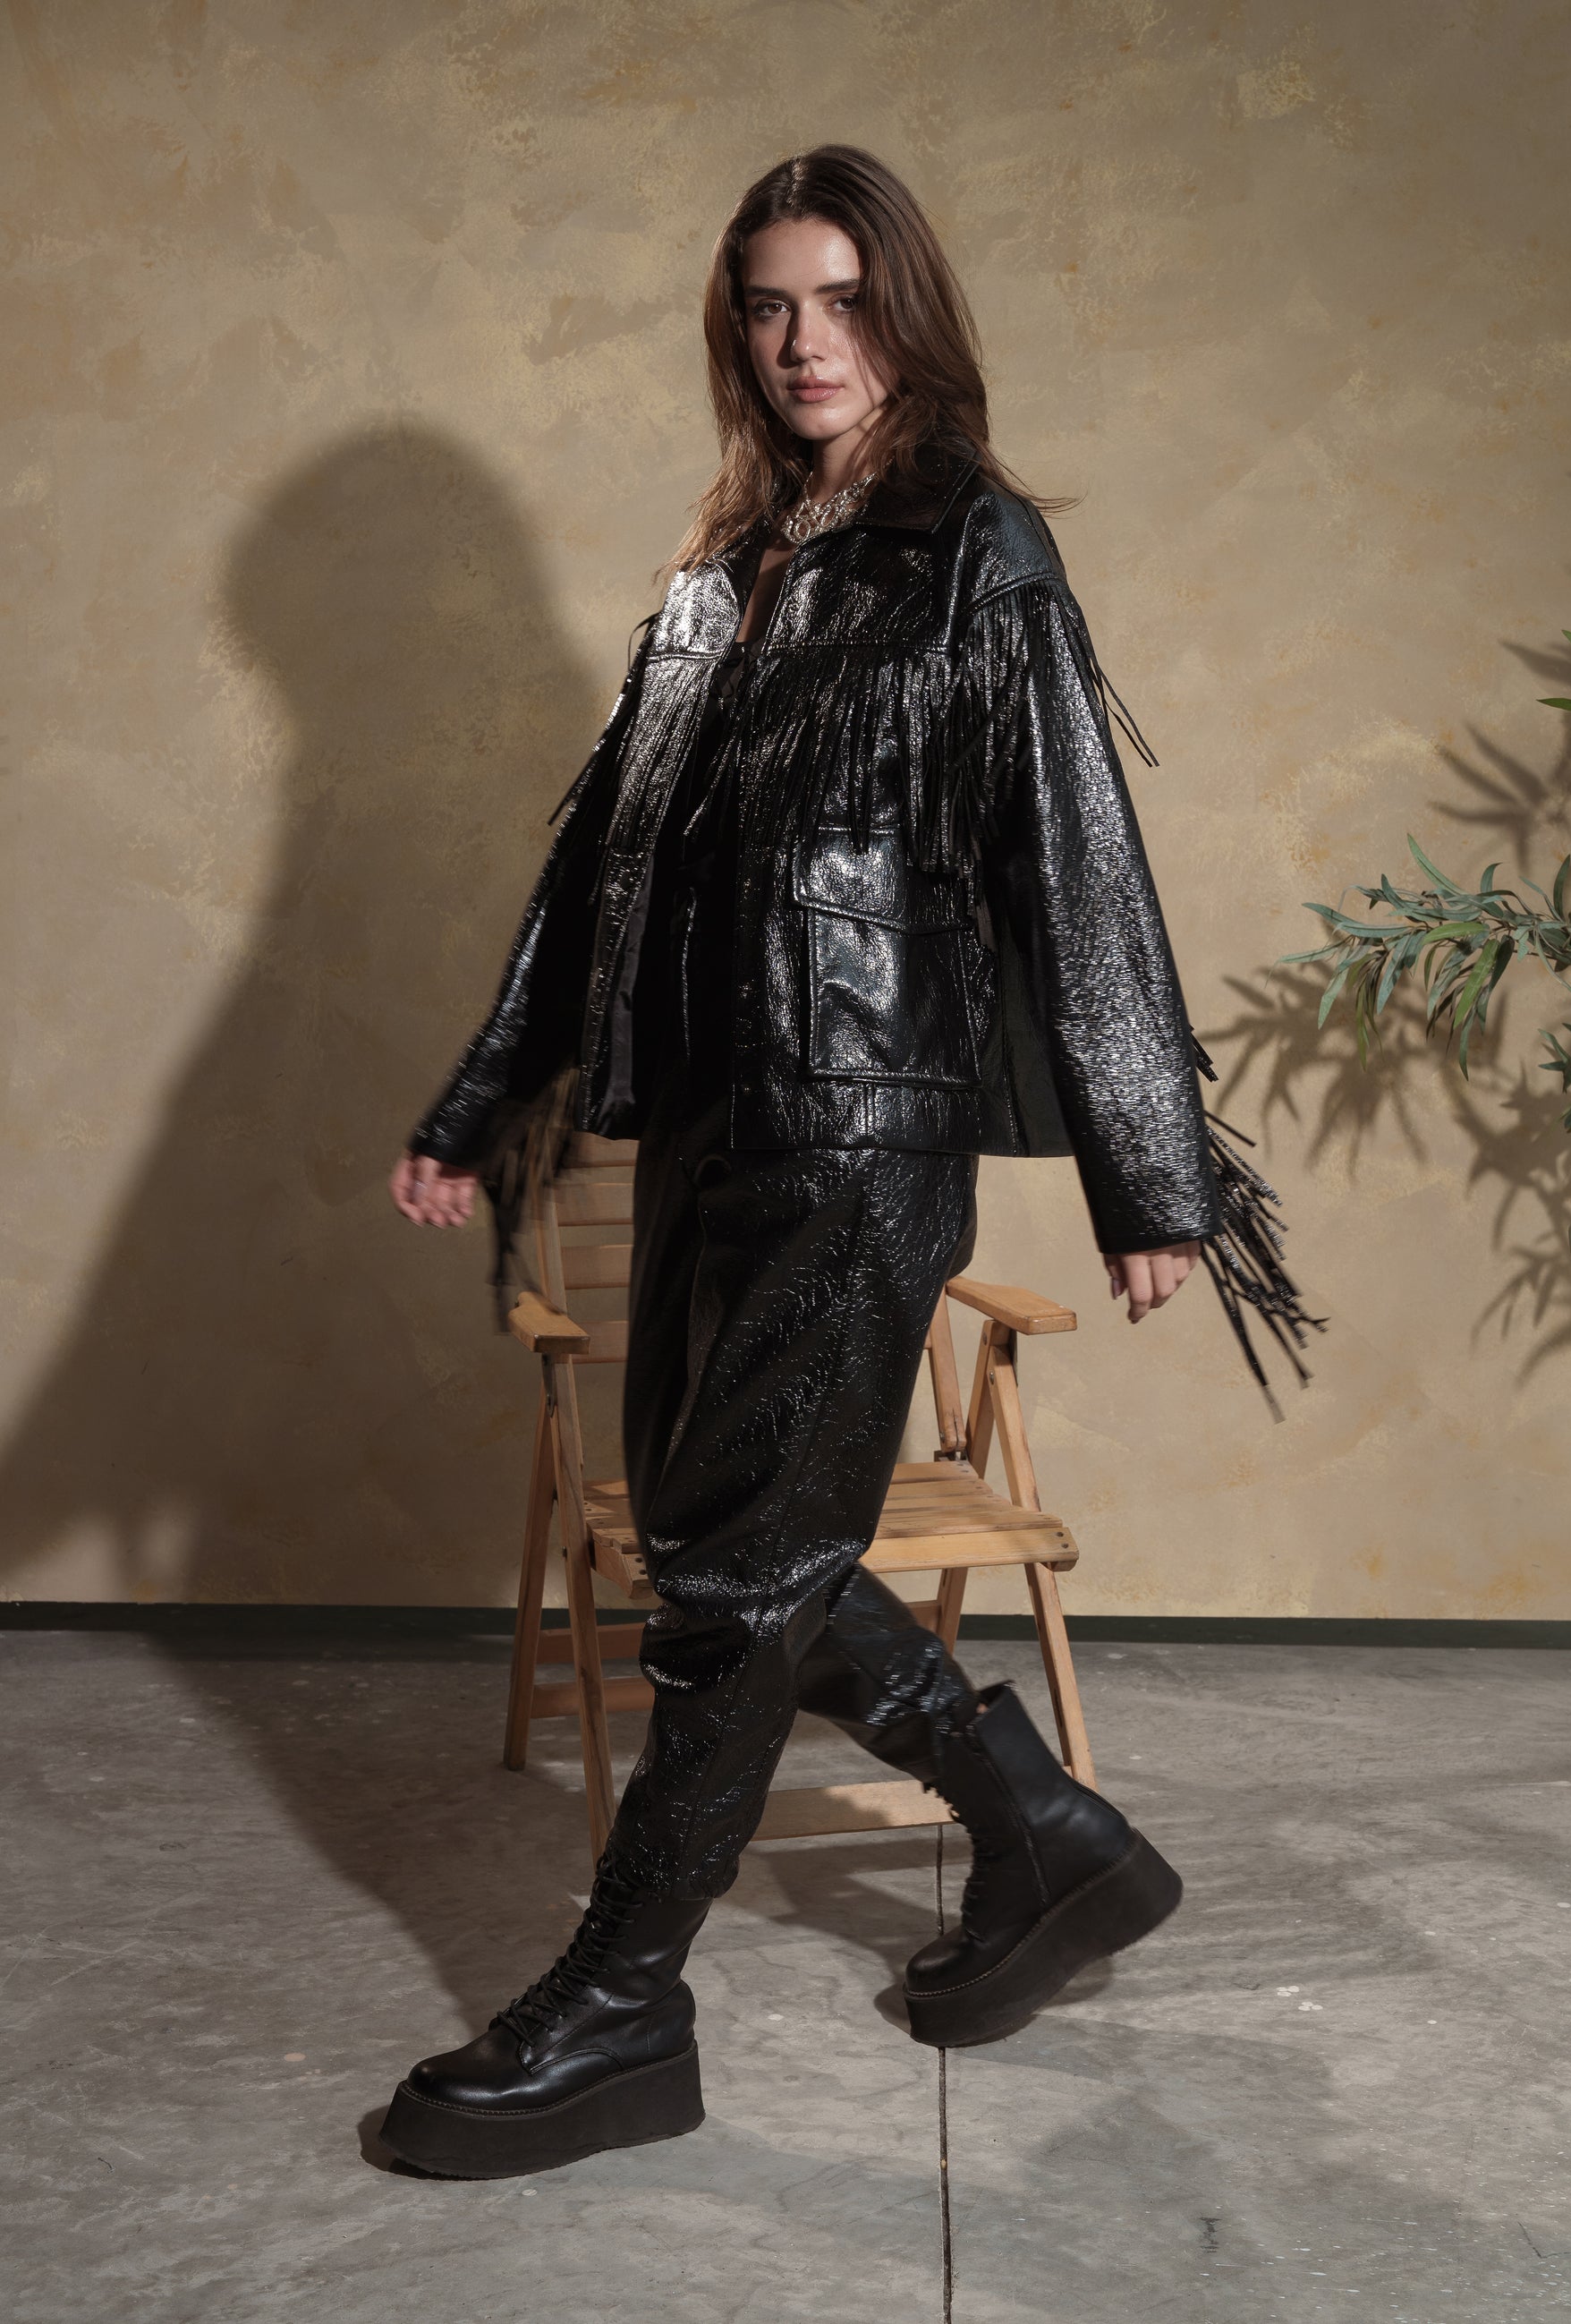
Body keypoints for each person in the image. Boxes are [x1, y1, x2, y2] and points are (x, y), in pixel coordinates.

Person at [378, 145, 1224, 2182]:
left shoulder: (971, 546)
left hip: (859, 1131)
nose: (802, 340)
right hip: (706, 1120)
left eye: (841, 299)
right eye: (767, 303)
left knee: (739, 1568)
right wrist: (483, 1097)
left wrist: (1152, 1164)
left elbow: (1073, 852)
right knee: (726, 1542)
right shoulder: (721, 570)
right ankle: (1045, 1835)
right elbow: (599, 871)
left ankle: (620, 2003)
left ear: (904, 313)